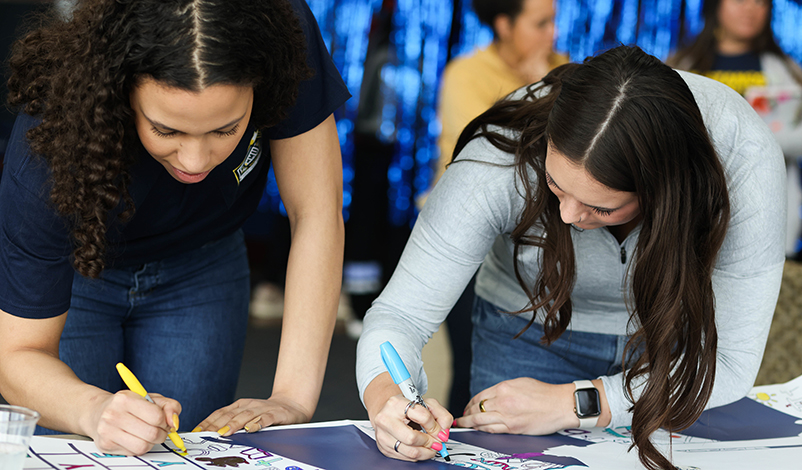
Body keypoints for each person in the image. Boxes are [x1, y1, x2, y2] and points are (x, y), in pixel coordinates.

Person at [356, 45, 784, 470]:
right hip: (528, 332)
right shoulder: (498, 162)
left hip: (669, 346)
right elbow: (400, 315)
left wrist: (576, 402)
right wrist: (386, 400)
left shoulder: (741, 159)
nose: (567, 216)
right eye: (555, 186)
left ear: (664, 193)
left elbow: (727, 362)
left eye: (601, 208)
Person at [0, 0, 348, 456]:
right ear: (121, 91)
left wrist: (292, 398)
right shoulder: (45, 151)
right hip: (78, 269)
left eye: (227, 129)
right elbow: (17, 354)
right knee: (90, 444)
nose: (195, 161)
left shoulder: (278, 33)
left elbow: (317, 213)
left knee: (191, 452)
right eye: (167, 131)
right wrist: (92, 409)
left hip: (203, 261)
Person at [430, 0, 569, 417]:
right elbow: (490, 157)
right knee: (471, 361)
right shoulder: (466, 74)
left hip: (534, 242)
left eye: (553, 22)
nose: (552, 35)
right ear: (505, 25)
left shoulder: (561, 66)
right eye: (541, 23)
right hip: (470, 235)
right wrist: (538, 90)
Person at [669, 0, 802, 255]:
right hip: (697, 207)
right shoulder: (682, 66)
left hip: (764, 211)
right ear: (715, 6)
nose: (750, 9)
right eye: (740, 0)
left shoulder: (787, 71)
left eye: (761, 2)